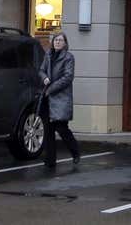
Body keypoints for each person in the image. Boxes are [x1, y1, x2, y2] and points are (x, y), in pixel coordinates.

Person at [40, 31, 80, 169]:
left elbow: (68, 77)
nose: (57, 42)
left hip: (61, 98)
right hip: (48, 98)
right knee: (48, 130)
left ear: (65, 43)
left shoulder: (69, 57)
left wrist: (51, 88)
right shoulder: (48, 55)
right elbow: (41, 70)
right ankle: (50, 161)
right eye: (56, 40)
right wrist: (44, 77)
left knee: (62, 128)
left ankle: (75, 152)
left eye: (60, 40)